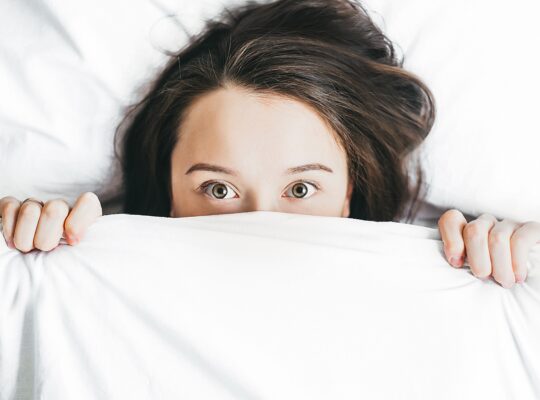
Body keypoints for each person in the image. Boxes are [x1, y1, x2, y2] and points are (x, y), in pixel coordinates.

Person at [0, 0, 538, 288]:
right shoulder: (86, 279)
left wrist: (518, 258)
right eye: (218, 187)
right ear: (167, 195)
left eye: (301, 188)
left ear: (351, 192)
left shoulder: (447, 280)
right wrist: (24, 245)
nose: (262, 224)